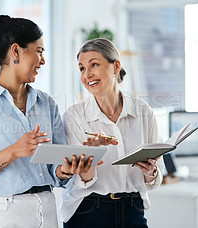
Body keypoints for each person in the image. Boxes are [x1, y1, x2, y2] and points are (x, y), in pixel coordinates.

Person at [0, 15, 92, 228]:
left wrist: (66, 170)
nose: (43, 61)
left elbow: (55, 169)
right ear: (16, 51)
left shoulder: (47, 104)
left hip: (48, 210)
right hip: (3, 214)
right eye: (39, 51)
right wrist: (12, 152)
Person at [60, 38, 165, 228]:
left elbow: (155, 179)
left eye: (94, 65)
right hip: (89, 210)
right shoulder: (74, 116)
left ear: (115, 66)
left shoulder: (143, 111)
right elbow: (75, 181)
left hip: (133, 210)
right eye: (82, 68)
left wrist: (151, 171)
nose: (87, 74)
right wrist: (88, 165)